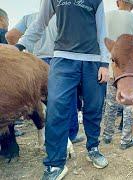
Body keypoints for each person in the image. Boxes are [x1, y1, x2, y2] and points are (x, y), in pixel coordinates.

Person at [12, 0, 110, 178]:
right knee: (57, 108)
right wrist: (21, 45)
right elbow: (40, 22)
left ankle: (93, 148)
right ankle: (55, 164)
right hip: (62, 58)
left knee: (94, 107)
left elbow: (102, 30)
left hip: (93, 59)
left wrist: (105, 63)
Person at [6, 13, 85, 144]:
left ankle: (48, 135)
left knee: (42, 102)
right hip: (60, 60)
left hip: (35, 63)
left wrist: (24, 53)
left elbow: (10, 35)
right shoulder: (64, 16)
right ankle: (70, 135)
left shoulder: (29, 18)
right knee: (68, 98)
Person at [103, 0, 133, 150]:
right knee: (129, 105)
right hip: (129, 72)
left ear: (117, 2)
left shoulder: (106, 16)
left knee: (110, 103)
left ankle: (107, 135)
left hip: (111, 67)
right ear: (132, 6)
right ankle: (125, 139)